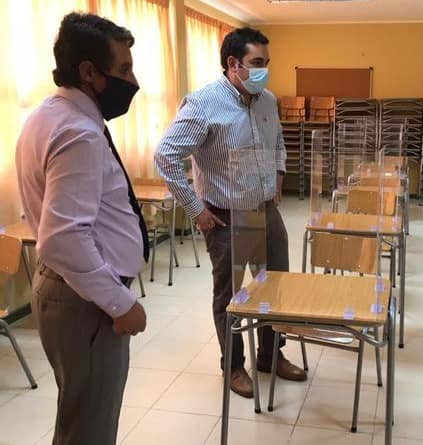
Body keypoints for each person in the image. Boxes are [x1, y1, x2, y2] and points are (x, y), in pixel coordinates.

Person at [15, 12, 148, 445]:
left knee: (78, 419)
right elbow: (64, 238)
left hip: (70, 291)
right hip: (87, 303)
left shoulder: (48, 116)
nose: (133, 81)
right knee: (89, 429)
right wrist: (120, 303)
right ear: (89, 71)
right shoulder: (79, 132)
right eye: (124, 69)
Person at [155, 27, 306, 399]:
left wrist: (279, 173)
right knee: (230, 297)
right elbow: (166, 156)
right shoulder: (203, 103)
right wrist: (196, 209)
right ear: (233, 63)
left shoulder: (267, 100)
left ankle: (271, 355)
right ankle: (234, 366)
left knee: (276, 287)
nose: (264, 70)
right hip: (225, 217)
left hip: (266, 211)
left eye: (267, 63)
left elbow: (278, 140)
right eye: (257, 62)